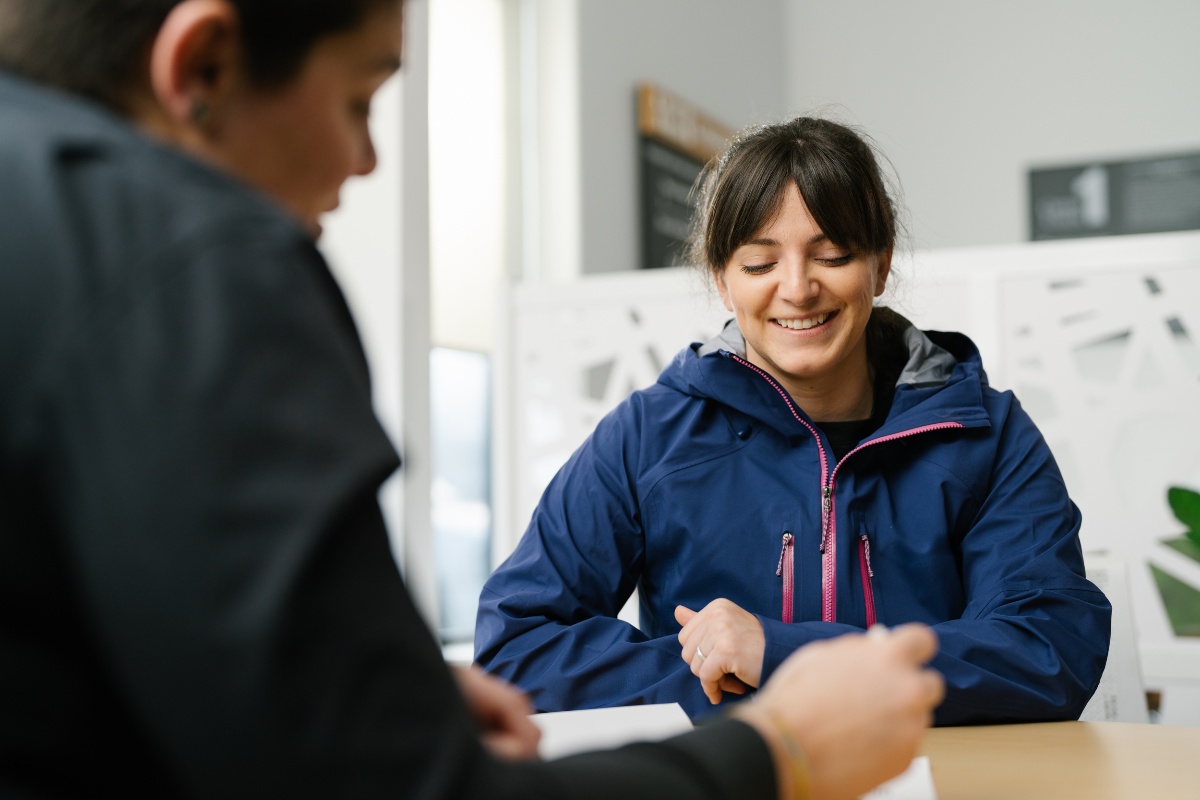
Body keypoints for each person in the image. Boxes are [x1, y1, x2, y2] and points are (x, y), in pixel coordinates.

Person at [0, 2, 945, 798]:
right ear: (199, 63)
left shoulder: (979, 424)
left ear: (881, 266)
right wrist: (777, 742)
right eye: (359, 97)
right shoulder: (194, 265)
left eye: (833, 254)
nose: (368, 158)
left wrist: (379, 700)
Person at [476, 116, 1112, 724]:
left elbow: (1050, 647)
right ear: (722, 282)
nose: (798, 288)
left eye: (831, 254)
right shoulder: (646, 436)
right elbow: (517, 648)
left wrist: (776, 654)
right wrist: (728, 684)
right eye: (759, 263)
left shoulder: (988, 433)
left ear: (881, 264)